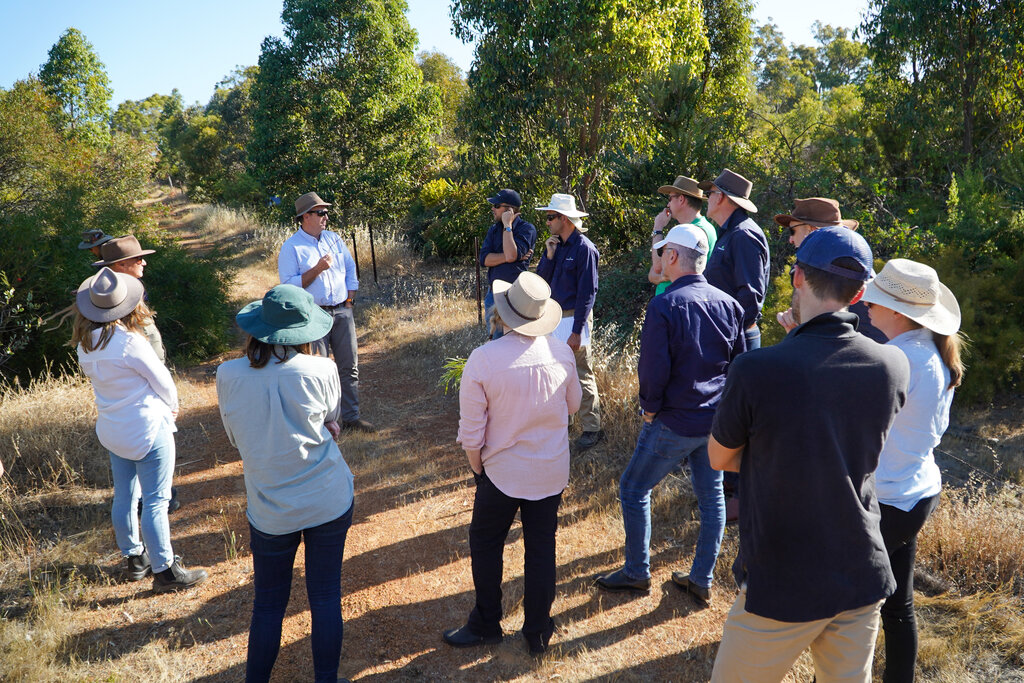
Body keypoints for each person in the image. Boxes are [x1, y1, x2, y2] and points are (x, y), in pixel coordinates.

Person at [707, 227, 910, 682]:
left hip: (783, 579)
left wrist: (770, 454)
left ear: (797, 277)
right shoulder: (893, 365)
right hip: (861, 573)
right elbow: (847, 441)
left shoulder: (758, 368)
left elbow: (719, 457)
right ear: (859, 293)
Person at [595, 225, 744, 606]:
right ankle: (701, 578)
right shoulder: (730, 305)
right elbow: (739, 367)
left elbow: (654, 368)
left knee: (633, 488)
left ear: (674, 257)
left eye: (662, 252)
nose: (659, 258)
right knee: (712, 499)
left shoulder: (664, 304)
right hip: (713, 422)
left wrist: (649, 408)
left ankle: (636, 572)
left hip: (673, 421)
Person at [216, 284, 356, 683]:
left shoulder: (227, 375)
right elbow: (333, 422)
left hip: (269, 506)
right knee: (326, 596)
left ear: (258, 326)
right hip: (326, 498)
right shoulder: (322, 368)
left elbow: (234, 437)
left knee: (268, 605)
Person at [444, 271, 582, 656]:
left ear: (502, 313)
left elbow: (472, 435)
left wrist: (478, 470)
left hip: (501, 473)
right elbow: (573, 406)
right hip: (551, 469)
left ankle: (487, 622)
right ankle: (537, 631)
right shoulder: (561, 352)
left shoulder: (483, 360)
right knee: (542, 548)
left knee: (486, 542)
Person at [72, 267, 208, 592]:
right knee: (156, 500)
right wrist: (172, 406)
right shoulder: (130, 342)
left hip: (113, 429)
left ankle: (134, 557)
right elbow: (163, 381)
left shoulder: (85, 346)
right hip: (146, 427)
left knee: (125, 495)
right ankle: (165, 570)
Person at [861, 259, 963, 683]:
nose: (867, 304)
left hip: (886, 501)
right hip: (914, 492)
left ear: (900, 312)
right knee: (897, 604)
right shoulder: (927, 351)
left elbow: (857, 428)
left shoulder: (898, 359)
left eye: (877, 299)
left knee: (849, 607)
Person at [94, 235, 182, 512]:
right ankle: (154, 493)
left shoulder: (125, 285)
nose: (143, 262)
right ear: (120, 265)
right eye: (137, 259)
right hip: (138, 377)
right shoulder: (110, 292)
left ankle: (150, 491)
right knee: (148, 437)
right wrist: (171, 402)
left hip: (141, 369)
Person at [278, 191, 374, 432]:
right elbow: (289, 285)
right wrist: (318, 269)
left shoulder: (334, 238)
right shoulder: (292, 247)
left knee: (349, 367)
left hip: (342, 311)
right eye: (320, 212)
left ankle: (351, 418)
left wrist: (350, 299)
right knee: (317, 369)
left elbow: (351, 269)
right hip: (313, 315)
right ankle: (323, 423)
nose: (326, 217)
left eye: (326, 212)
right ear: (305, 216)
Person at [535, 193, 602, 451]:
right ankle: (565, 421)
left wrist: (577, 331)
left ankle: (592, 428)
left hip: (575, 317)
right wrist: (549, 256)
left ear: (564, 218)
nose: (547, 222)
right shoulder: (556, 245)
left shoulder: (585, 248)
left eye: (550, 217)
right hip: (555, 316)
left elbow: (588, 293)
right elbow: (541, 282)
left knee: (581, 371)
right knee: (558, 372)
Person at [774, 197, 887, 343]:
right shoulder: (851, 264)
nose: (790, 239)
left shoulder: (842, 270)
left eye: (792, 231)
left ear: (812, 231)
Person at [699, 169, 769, 350]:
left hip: (736, 338)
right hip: (728, 335)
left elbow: (750, 296)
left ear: (720, 196)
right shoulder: (731, 232)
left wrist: (725, 333)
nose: (707, 199)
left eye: (709, 193)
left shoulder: (743, 235)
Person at [479, 189, 537, 338]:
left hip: (516, 296)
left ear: (509, 210)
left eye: (497, 205)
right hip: (494, 296)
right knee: (496, 342)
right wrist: (509, 257)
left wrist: (508, 226)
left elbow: (512, 254)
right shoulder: (493, 230)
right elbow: (484, 259)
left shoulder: (527, 229)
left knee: (516, 341)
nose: (493, 208)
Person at [648, 176, 717, 296]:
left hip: (678, 304)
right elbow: (652, 274)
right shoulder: (684, 231)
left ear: (681, 199)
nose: (668, 204)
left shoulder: (696, 231)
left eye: (670, 198)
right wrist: (662, 276)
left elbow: (658, 268)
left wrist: (658, 228)